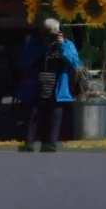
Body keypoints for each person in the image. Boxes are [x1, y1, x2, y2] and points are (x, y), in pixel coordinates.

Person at [17, 16, 79, 152]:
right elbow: (22, 62)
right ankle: (28, 144)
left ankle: (50, 145)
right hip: (35, 90)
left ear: (58, 32)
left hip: (57, 91)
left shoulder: (67, 44)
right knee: (31, 120)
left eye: (52, 34)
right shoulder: (34, 44)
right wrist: (42, 48)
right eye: (46, 33)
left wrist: (61, 46)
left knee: (53, 123)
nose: (48, 37)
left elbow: (76, 64)